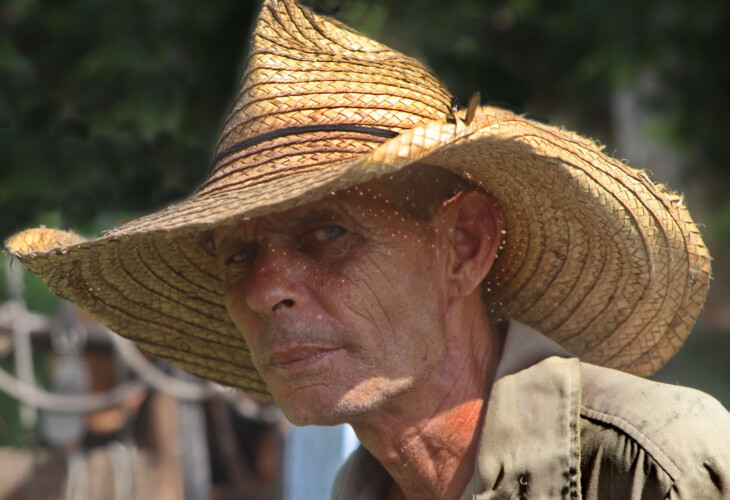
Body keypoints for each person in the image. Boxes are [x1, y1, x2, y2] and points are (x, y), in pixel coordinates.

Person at [7, 0, 730, 498]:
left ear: (465, 247)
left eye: (328, 234)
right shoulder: (367, 486)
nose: (265, 290)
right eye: (238, 255)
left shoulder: (649, 467)